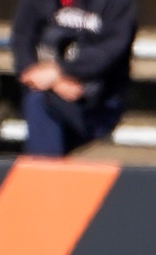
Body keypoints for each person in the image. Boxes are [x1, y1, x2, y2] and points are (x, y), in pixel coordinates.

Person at [11, 0, 136, 157]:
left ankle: (41, 177)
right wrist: (54, 81)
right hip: (44, 93)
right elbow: (22, 40)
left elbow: (112, 49)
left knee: (40, 106)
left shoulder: (117, 4)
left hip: (98, 101)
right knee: (39, 102)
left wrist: (63, 72)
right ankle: (43, 176)